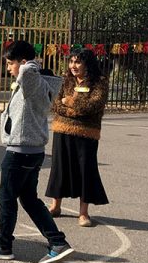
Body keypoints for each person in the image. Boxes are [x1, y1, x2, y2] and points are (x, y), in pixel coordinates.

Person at [0, 40, 75, 263]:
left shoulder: (31, 78)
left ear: (23, 63)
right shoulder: (40, 82)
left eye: (11, 63)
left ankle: (3, 245)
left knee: (7, 198)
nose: (8, 68)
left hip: (20, 151)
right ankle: (57, 242)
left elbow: (27, 71)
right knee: (29, 199)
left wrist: (28, 63)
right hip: (33, 151)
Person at [45, 48, 109, 227]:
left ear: (87, 64)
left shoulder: (99, 82)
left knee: (85, 170)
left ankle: (83, 213)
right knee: (59, 168)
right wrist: (71, 107)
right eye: (71, 61)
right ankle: (55, 206)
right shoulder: (65, 80)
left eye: (78, 62)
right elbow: (56, 104)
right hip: (62, 129)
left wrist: (70, 102)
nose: (73, 66)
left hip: (86, 132)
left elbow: (92, 105)